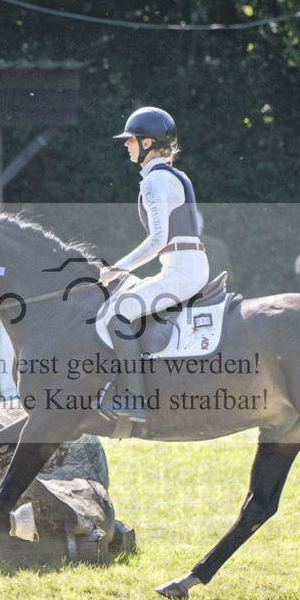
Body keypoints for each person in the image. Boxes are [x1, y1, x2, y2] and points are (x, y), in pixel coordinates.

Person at [98, 106, 208, 422]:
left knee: (118, 314)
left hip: (182, 269)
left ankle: (134, 399)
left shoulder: (155, 181)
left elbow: (158, 239)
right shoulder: (172, 175)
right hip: (182, 264)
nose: (126, 145)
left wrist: (117, 268)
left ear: (147, 143)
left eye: (130, 140)